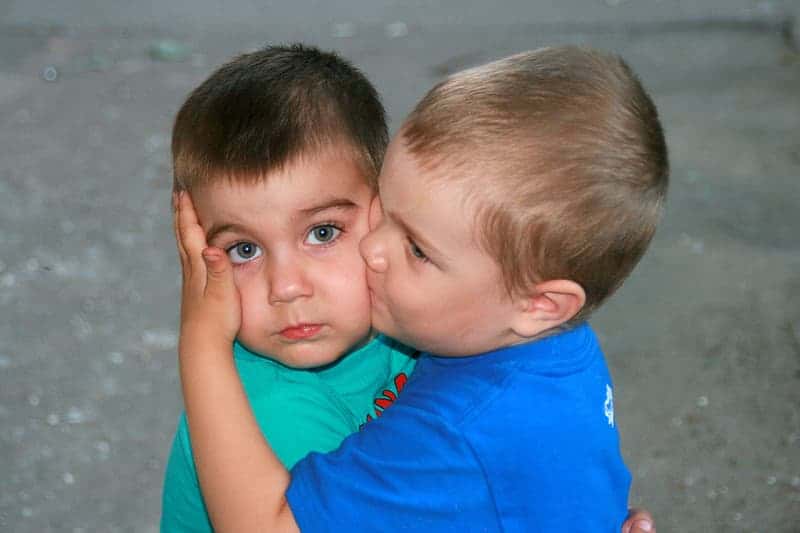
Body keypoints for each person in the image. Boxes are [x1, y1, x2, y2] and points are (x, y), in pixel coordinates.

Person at [174, 45, 666, 532]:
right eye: (244, 249)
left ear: (541, 304)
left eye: (416, 248)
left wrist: (199, 341)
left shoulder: (452, 427)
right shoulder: (539, 340)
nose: (374, 251)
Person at [160, 44, 418, 532]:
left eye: (322, 233)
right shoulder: (274, 407)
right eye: (244, 250)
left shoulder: (417, 320)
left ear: (387, 209)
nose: (287, 287)